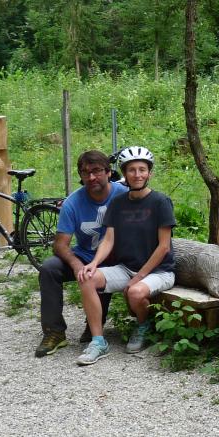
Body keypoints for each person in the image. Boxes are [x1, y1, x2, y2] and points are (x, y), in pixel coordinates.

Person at [75, 146, 176, 366]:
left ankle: (143, 325)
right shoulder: (117, 203)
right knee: (86, 277)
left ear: (150, 173)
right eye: (132, 170)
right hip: (126, 267)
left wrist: (139, 277)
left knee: (136, 292)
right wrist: (93, 263)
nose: (137, 174)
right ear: (124, 173)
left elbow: (164, 247)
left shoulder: (160, 202)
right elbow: (108, 240)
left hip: (160, 271)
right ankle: (98, 341)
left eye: (142, 169)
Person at [34, 150, 128, 357]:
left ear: (108, 172)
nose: (91, 177)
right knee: (49, 268)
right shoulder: (72, 203)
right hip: (84, 255)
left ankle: (94, 325)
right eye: (85, 173)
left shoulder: (123, 195)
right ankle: (54, 332)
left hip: (116, 258)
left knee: (100, 269)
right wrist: (77, 265)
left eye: (96, 171)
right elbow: (60, 245)